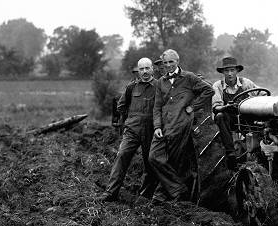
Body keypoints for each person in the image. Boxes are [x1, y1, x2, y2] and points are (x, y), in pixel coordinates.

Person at [148, 49, 214, 202]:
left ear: (177, 62)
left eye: (171, 62)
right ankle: (178, 189)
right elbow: (157, 107)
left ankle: (163, 194)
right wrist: (157, 127)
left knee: (173, 160)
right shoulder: (161, 82)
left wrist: (193, 107)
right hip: (164, 125)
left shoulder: (189, 78)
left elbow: (208, 90)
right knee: (153, 157)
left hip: (181, 125)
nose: (168, 65)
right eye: (165, 63)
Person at [101, 57, 158, 202]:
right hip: (132, 130)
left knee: (149, 162)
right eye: (141, 69)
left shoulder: (159, 86)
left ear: (152, 69)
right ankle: (111, 192)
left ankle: (145, 195)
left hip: (150, 131)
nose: (144, 72)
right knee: (122, 155)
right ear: (138, 71)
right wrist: (131, 118)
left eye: (147, 68)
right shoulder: (131, 87)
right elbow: (121, 106)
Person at [212, 56, 263, 170]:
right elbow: (216, 107)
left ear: (237, 71)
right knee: (220, 116)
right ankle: (231, 153)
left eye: (232, 70)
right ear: (223, 72)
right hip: (229, 119)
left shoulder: (246, 83)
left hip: (246, 117)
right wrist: (226, 107)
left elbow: (262, 94)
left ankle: (260, 150)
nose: (230, 74)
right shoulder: (218, 86)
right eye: (226, 71)